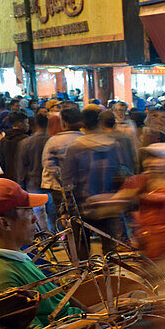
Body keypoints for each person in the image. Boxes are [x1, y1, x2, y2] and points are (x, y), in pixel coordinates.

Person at [0, 179, 82, 329]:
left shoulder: (12, 254)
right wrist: (102, 321)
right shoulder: (2, 279)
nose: (35, 218)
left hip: (75, 318)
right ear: (4, 224)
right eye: (28, 212)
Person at [62, 106, 134, 254]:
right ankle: (110, 276)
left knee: (82, 251)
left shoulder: (75, 148)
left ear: (83, 124)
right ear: (100, 123)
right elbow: (125, 172)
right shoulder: (114, 145)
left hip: (82, 206)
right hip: (109, 204)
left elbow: (68, 182)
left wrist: (69, 207)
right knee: (110, 251)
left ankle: (89, 277)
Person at [102, 145, 165, 259]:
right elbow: (118, 200)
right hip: (143, 239)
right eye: (150, 158)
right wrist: (101, 202)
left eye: (159, 158)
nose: (153, 162)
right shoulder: (139, 181)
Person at [41, 105, 84, 224]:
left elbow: (48, 165)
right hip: (82, 187)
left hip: (58, 187)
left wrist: (63, 180)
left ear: (64, 122)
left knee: (66, 219)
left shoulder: (54, 141)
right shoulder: (85, 139)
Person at [17, 113, 53, 232]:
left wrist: (21, 185)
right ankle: (56, 237)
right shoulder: (51, 141)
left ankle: (44, 237)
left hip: (32, 182)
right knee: (52, 211)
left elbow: (22, 166)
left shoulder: (25, 143)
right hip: (50, 182)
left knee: (38, 212)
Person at [0, 112, 30, 183]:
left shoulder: (4, 139)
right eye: (26, 123)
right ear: (20, 124)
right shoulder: (26, 140)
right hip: (24, 178)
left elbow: (1, 160)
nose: (28, 125)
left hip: (9, 177)